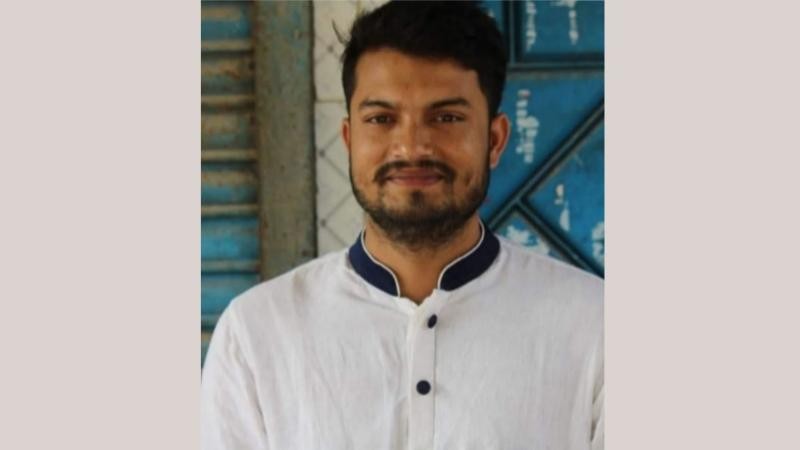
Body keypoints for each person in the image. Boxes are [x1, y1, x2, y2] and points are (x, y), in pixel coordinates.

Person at [201, 2, 603, 449]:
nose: (411, 147)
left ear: (494, 140)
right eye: (382, 119)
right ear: (350, 139)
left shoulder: (595, 325)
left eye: (446, 118)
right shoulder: (256, 333)